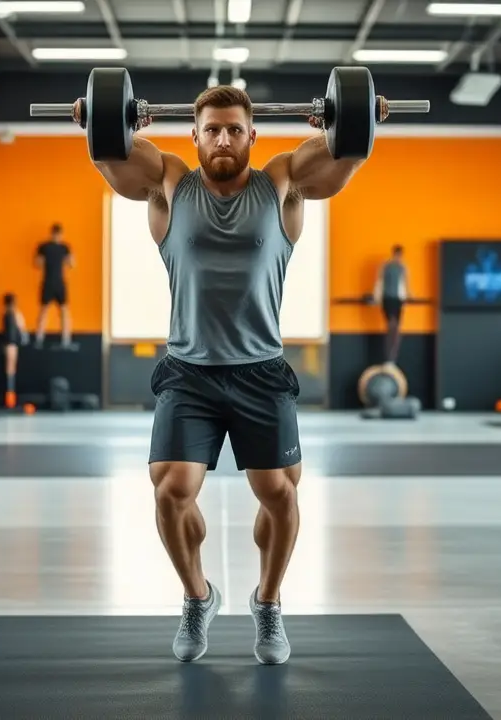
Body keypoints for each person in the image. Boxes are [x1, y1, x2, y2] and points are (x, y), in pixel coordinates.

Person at [84, 84, 383, 665]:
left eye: (235, 130)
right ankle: (198, 597)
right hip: (189, 373)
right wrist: (99, 123)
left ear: (253, 135)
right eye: (212, 130)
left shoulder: (282, 182)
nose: (223, 139)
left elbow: (344, 158)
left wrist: (355, 120)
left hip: (260, 372)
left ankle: (267, 602)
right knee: (171, 491)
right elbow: (111, 157)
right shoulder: (171, 183)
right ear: (194, 135)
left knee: (279, 493)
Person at [33, 223, 73, 349]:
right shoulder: (63, 247)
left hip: (50, 282)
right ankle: (65, 339)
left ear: (52, 233)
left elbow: (37, 263)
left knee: (47, 310)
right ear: (61, 234)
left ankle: (40, 338)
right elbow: (72, 264)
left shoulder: (44, 247)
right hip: (57, 282)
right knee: (61, 310)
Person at [372, 244, 409, 366]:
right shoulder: (388, 266)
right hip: (389, 299)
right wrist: (376, 297)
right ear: (395, 254)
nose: (398, 257)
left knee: (395, 328)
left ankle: (392, 357)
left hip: (396, 300)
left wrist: (406, 297)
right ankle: (389, 357)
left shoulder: (401, 267)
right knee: (392, 327)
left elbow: (404, 284)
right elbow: (380, 282)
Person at [1, 293, 28, 407]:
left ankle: (10, 398)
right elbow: (22, 327)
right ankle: (10, 398)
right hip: (11, 344)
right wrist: (24, 338)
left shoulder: (7, 314)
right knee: (10, 369)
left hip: (9, 343)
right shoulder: (14, 314)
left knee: (10, 369)